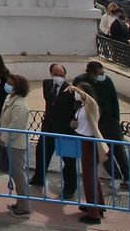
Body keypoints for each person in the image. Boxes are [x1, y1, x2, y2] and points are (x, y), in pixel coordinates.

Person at [76, 60, 130, 194]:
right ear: (91, 74)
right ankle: (116, 176)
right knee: (104, 151)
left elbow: (114, 101)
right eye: (99, 74)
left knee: (119, 149)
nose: (102, 75)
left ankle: (129, 177)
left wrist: (116, 120)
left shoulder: (107, 81)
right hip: (95, 123)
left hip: (110, 121)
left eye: (103, 73)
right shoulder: (81, 82)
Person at [30, 63, 79, 198]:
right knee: (42, 153)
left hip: (64, 130)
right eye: (56, 75)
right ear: (51, 74)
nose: (58, 78)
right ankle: (38, 178)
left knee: (69, 161)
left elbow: (75, 108)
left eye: (61, 75)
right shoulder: (47, 84)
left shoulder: (71, 90)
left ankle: (69, 188)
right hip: (48, 128)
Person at [69, 81, 105, 224]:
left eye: (80, 91)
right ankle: (97, 205)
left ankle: (93, 214)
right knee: (91, 175)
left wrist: (75, 89)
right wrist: (75, 125)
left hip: (89, 142)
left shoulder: (91, 104)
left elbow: (89, 100)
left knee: (89, 177)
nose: (77, 94)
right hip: (83, 140)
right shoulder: (82, 106)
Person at [1, 73, 33, 216]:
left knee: (19, 175)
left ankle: (24, 206)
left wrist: (4, 138)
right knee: (14, 173)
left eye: (10, 83)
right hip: (9, 143)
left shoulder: (20, 105)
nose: (7, 85)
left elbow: (15, 126)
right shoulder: (10, 99)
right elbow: (4, 119)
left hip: (16, 145)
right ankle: (19, 202)